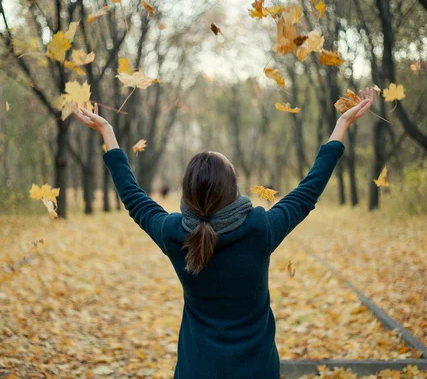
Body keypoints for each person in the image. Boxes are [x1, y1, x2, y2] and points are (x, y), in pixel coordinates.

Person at [73, 88, 374, 379]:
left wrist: (107, 133)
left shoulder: (175, 234)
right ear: (233, 189)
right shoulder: (260, 230)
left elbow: (133, 198)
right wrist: (342, 124)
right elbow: (308, 191)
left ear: (187, 193)